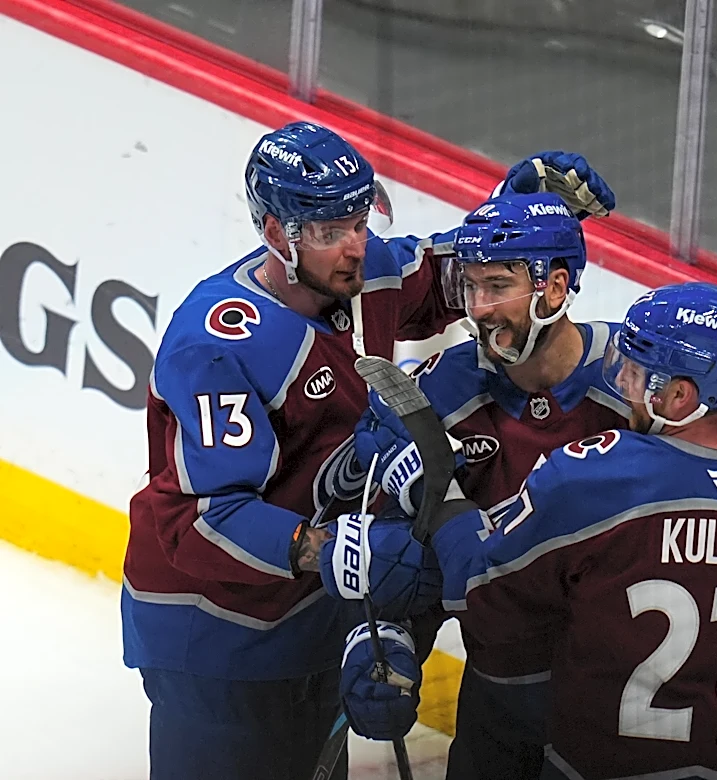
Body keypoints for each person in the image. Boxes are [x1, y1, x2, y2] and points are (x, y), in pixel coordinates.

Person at [120, 119, 615, 780]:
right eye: (332, 233)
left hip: (314, 619)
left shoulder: (363, 272)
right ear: (277, 235)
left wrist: (518, 209)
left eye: (360, 221)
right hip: (218, 638)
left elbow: (454, 277)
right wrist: (326, 552)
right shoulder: (218, 342)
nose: (357, 246)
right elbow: (202, 518)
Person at [341, 282, 717, 780]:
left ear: (679, 396)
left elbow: (476, 590)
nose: (623, 385)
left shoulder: (594, 478)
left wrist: (436, 487)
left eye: (635, 374)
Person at [327, 189, 631, 779]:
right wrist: (381, 646)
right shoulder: (433, 397)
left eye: (498, 287)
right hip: (501, 707)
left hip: (621, 714)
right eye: (470, 288)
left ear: (556, 287)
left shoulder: (634, 381)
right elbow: (395, 557)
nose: (480, 308)